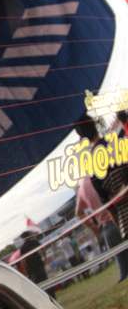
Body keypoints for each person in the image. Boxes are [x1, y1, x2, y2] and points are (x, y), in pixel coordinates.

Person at [75, 114, 128, 282]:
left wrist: (120, 226)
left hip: (122, 219)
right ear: (95, 124)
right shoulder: (116, 143)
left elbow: (107, 204)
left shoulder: (91, 168)